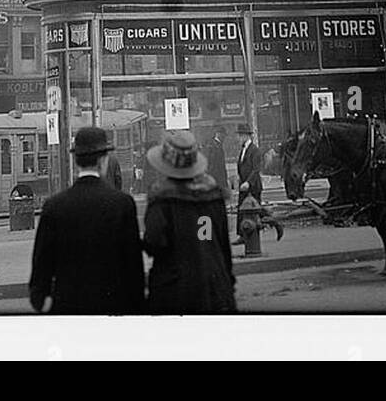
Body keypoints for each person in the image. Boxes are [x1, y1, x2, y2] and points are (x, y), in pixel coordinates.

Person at [28, 126, 144, 315]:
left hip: (68, 306)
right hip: (112, 305)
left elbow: (42, 262)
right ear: (103, 160)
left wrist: (40, 300)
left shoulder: (54, 206)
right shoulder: (122, 204)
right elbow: (132, 264)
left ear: (76, 161)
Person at [143, 130, 236, 314]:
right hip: (213, 285)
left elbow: (154, 242)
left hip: (174, 288)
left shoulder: (162, 199)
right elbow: (219, 242)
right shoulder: (212, 197)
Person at [206, 125, 229, 196]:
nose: (224, 137)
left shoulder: (216, 145)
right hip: (216, 179)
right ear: (218, 134)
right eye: (223, 135)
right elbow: (213, 165)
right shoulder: (214, 146)